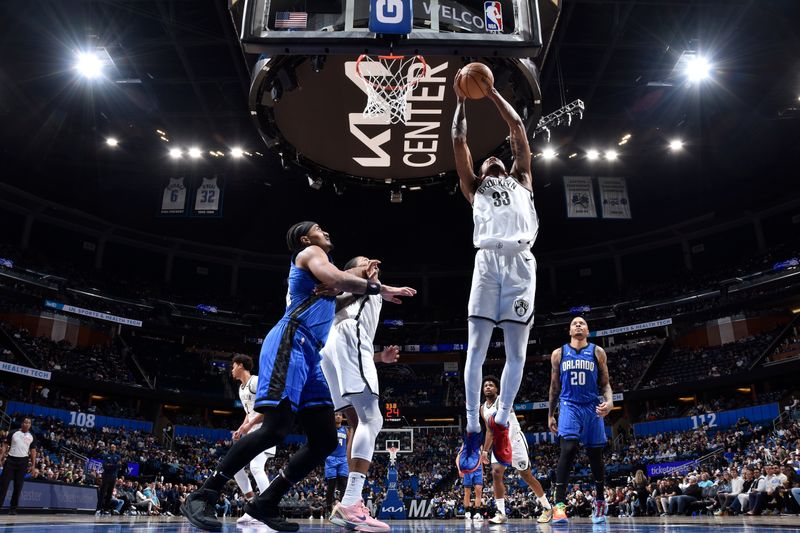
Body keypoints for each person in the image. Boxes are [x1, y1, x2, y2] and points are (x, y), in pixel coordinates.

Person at [181, 221, 415, 532]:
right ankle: (203, 494)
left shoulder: (324, 286)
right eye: (319, 228)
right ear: (306, 238)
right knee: (275, 429)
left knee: (324, 440)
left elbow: (340, 296)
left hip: (311, 356)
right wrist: (371, 284)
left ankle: (265, 502)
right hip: (289, 342)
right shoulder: (311, 253)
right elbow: (338, 278)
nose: (327, 231)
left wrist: (375, 289)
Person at [451, 66, 539, 474]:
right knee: (477, 350)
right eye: (486, 160)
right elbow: (458, 139)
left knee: (517, 352)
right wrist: (460, 102)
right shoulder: (473, 188)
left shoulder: (522, 177)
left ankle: (501, 421)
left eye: (496, 156)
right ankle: (472, 426)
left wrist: (490, 94)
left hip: (521, 263)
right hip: (487, 263)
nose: (492, 158)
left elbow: (518, 126)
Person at [320, 256, 410, 532]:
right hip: (348, 339)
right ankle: (349, 504)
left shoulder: (364, 289)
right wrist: (376, 282)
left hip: (333, 347)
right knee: (373, 421)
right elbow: (352, 330)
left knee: (356, 423)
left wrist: (380, 357)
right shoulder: (356, 281)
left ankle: (352, 500)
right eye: (368, 262)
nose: (375, 266)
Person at [548, 317, 613, 524]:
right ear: (569, 330)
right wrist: (550, 414)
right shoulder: (559, 354)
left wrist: (609, 402)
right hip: (569, 405)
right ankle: (558, 506)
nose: (578, 325)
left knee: (595, 455)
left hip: (592, 406)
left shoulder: (597, 352)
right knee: (568, 449)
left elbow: (605, 384)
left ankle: (601, 502)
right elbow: (554, 387)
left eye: (582, 323)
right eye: (574, 323)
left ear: (587, 330)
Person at [479, 376, 552, 524]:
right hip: (499, 443)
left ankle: (547, 507)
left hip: (515, 440)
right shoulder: (482, 409)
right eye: (485, 385)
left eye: (491, 385)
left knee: (527, 476)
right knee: (496, 473)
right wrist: (485, 451)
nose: (488, 387)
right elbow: (489, 431)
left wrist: (508, 443)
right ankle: (501, 513)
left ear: (496, 389)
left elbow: (512, 424)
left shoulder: (503, 401)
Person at [230, 353, 276, 526]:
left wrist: (250, 425)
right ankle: (253, 506)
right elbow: (249, 413)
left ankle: (267, 508)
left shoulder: (256, 381)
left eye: (233, 366)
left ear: (241, 365)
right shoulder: (241, 389)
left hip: (265, 430)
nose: (232, 370)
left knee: (256, 467)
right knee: (235, 467)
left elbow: (267, 408)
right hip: (252, 431)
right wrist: (242, 427)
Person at [0, 417, 38, 515]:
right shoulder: (13, 432)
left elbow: (33, 451)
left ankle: (13, 509)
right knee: (3, 485)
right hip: (10, 460)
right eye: (25, 422)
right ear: (22, 423)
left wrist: (33, 466)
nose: (27, 424)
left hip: (23, 462)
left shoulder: (32, 436)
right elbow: (5, 445)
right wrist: (1, 457)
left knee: (18, 486)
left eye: (29, 423)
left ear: (30, 425)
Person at [324, 413, 350, 514]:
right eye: (335, 415)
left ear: (342, 418)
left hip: (343, 458)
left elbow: (348, 444)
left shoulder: (346, 430)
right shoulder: (328, 429)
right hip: (331, 458)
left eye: (340, 415)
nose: (338, 416)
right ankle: (328, 509)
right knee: (331, 485)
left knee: (343, 483)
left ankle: (344, 508)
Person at [95, 443, 123, 515]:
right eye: (112, 447)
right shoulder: (106, 456)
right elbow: (105, 466)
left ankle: (106, 509)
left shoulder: (118, 457)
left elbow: (119, 466)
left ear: (115, 448)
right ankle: (99, 509)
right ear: (110, 448)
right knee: (102, 493)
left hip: (113, 477)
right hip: (106, 476)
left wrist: (110, 465)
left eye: (114, 447)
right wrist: (114, 465)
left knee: (110, 494)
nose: (113, 448)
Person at [461, 458, 485, 524]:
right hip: (468, 468)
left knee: (479, 491)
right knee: (467, 492)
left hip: (478, 468)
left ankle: (477, 513)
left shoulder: (480, 447)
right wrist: (459, 469)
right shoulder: (464, 447)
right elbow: (458, 457)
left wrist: (482, 472)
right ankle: (467, 512)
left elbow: (481, 459)